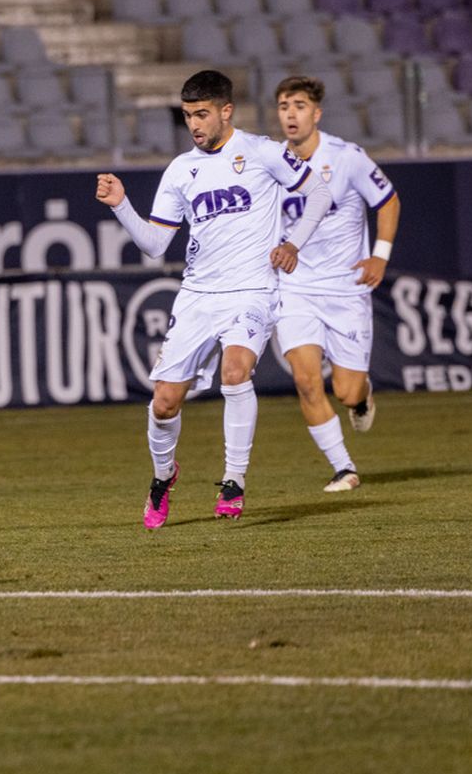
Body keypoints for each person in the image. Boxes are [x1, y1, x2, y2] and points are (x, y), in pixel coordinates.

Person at [94, 69, 331, 528]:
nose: (195, 125)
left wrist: (293, 242)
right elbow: (156, 244)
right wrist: (122, 205)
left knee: (235, 372)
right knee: (164, 402)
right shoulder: (182, 171)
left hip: (252, 289)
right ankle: (163, 478)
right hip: (198, 294)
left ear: (226, 111)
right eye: (187, 117)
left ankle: (234, 482)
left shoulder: (262, 152)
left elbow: (319, 193)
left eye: (202, 114)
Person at [271, 77, 401, 492]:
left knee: (346, 391)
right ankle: (344, 467)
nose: (291, 114)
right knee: (306, 380)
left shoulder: (346, 157)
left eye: (299, 106)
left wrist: (379, 254)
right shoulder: (270, 163)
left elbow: (388, 200)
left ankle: (362, 397)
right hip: (295, 288)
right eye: (284, 106)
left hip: (346, 289)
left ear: (316, 113)